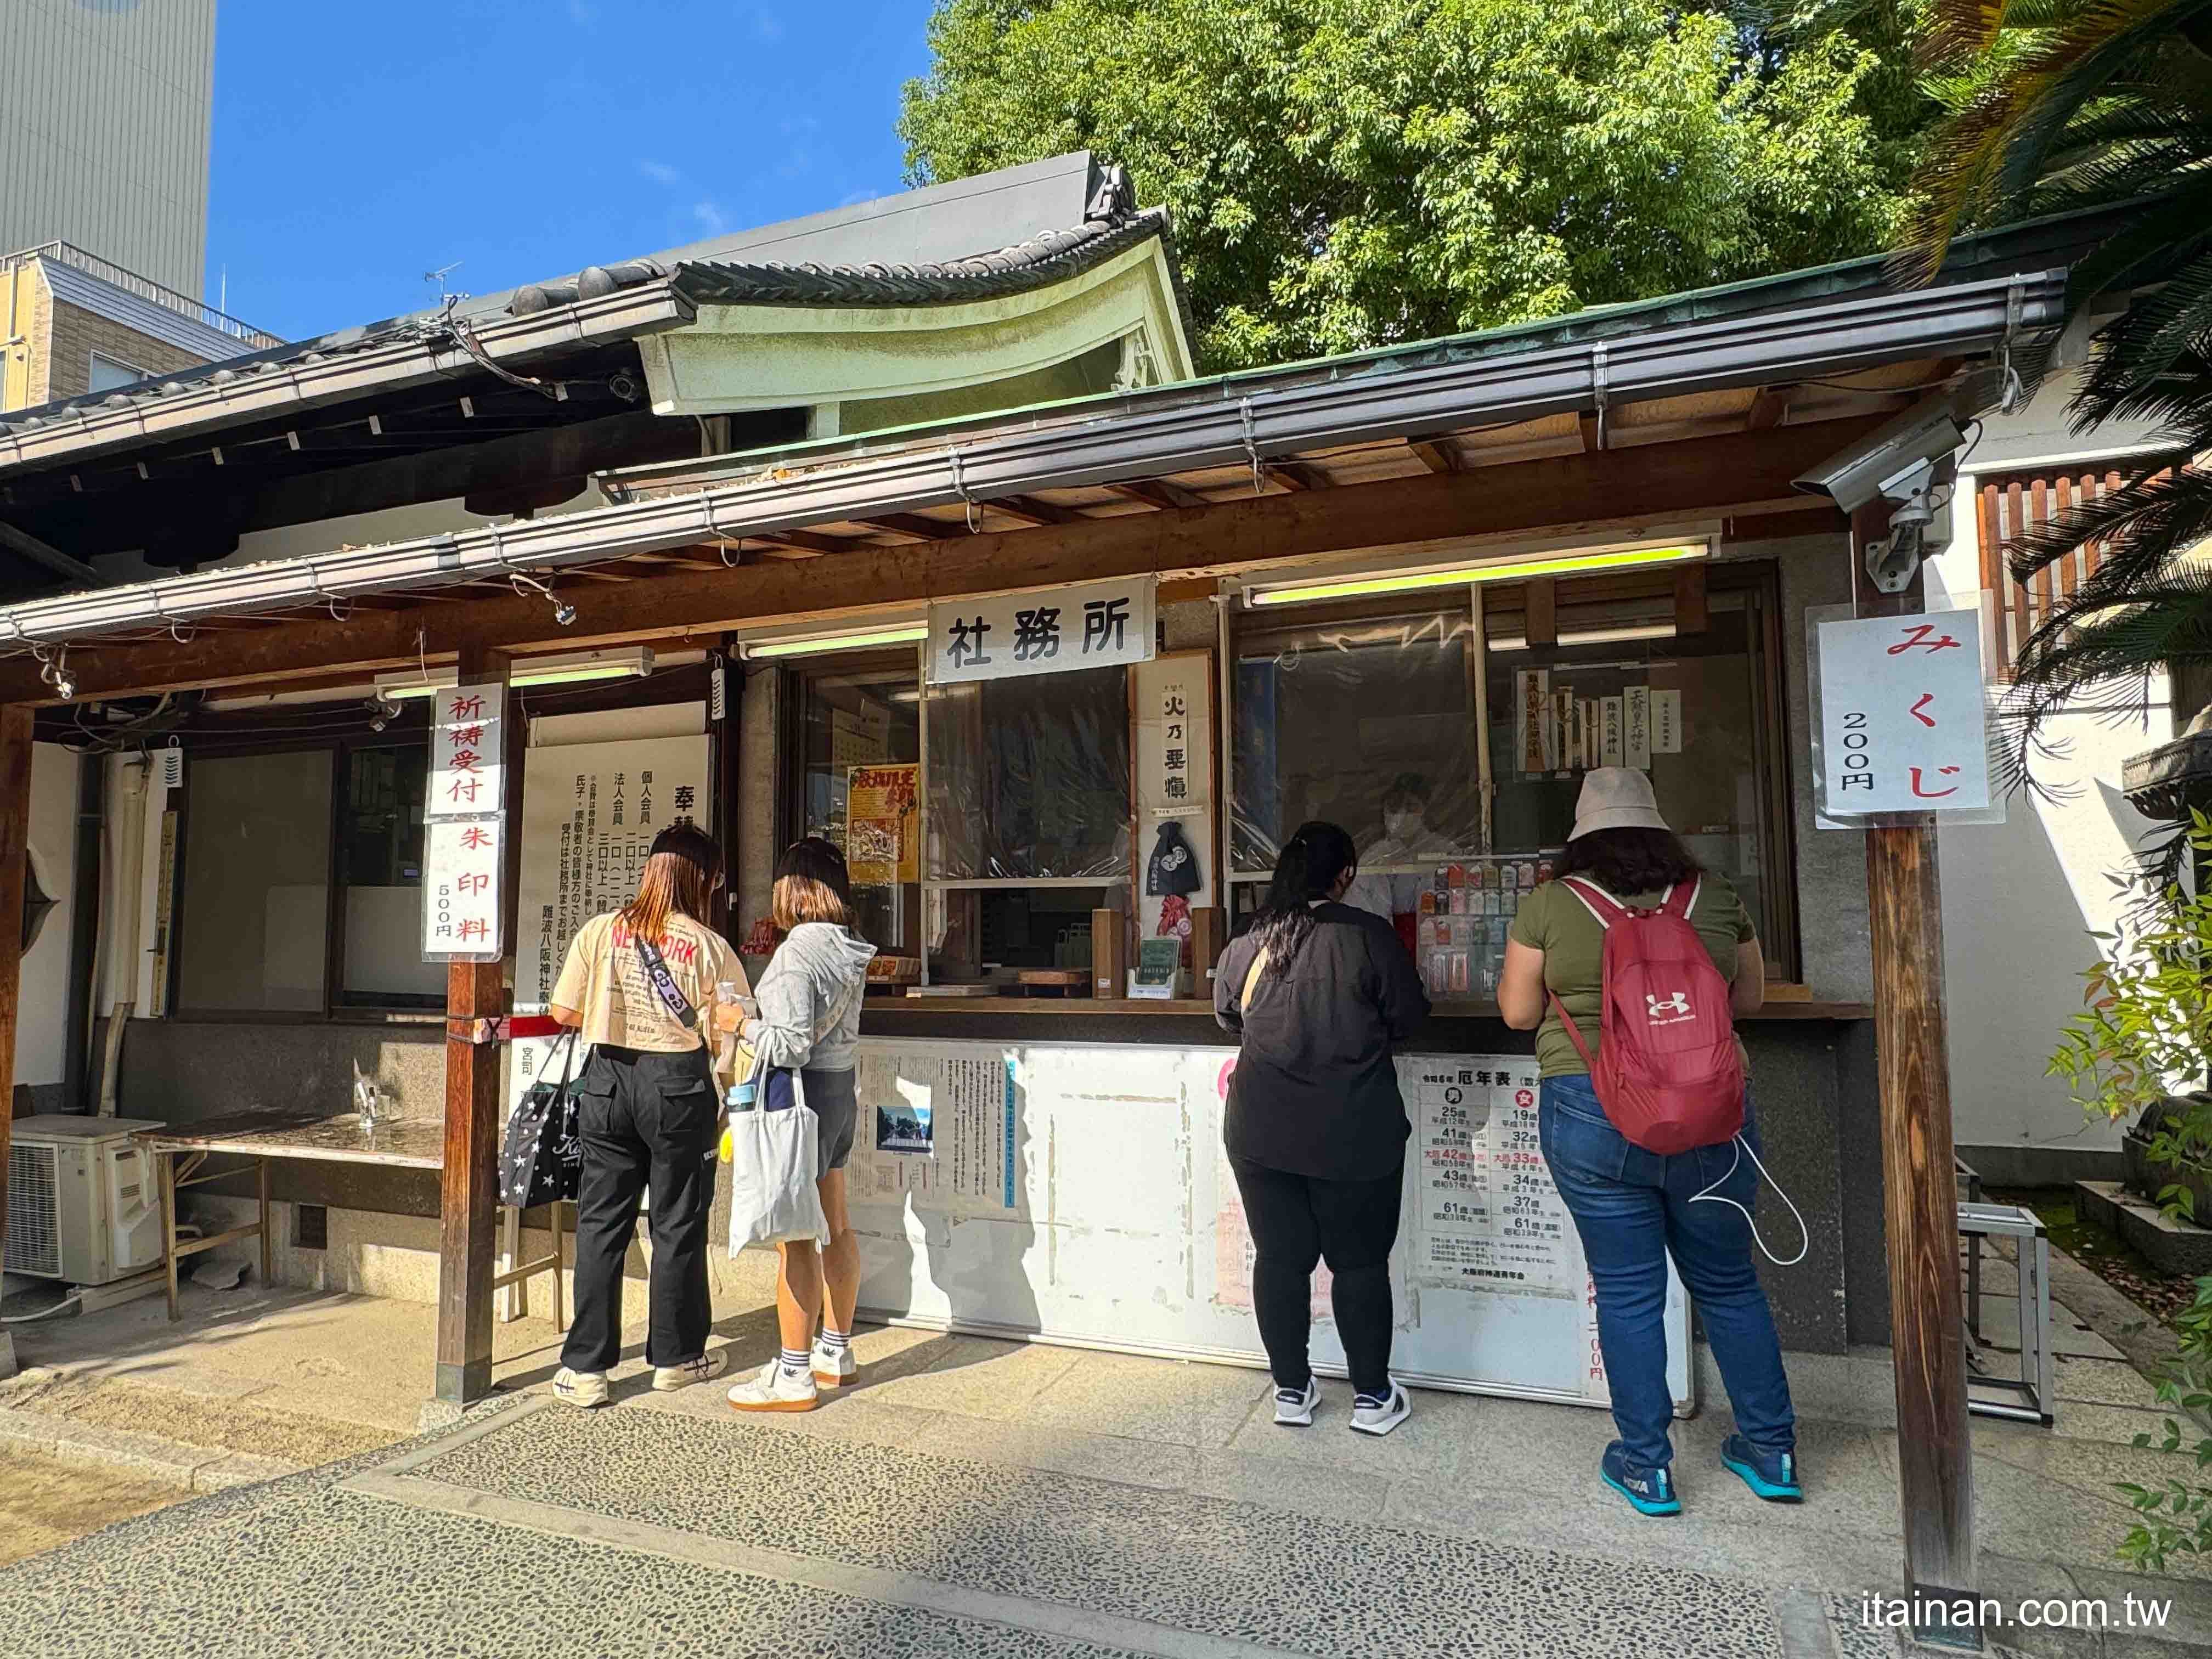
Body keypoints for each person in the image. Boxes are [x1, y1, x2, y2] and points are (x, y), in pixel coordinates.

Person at [1497, 768, 1797, 1514]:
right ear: (1659, 828)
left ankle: (1646, 1466)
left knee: (1630, 1292)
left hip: (1594, 1109)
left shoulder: (1551, 904)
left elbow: (1515, 1011)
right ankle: (1772, 1450)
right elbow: (1749, 999)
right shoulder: (1716, 895)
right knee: (1728, 1283)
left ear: (1580, 837)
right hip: (1711, 1114)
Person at [1214, 820, 1431, 1436]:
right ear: (1345, 878)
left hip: (1260, 1130)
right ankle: (1371, 1399)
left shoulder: (1249, 939)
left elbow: (1227, 1014)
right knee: (1359, 1263)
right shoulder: (1368, 937)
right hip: (1353, 1130)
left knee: (1279, 1259)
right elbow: (1409, 1016)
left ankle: (1291, 1392)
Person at [549, 823, 748, 1408]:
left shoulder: (601, 931)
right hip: (678, 1089)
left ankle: (586, 1369)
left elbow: (564, 1009)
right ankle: (677, 1357)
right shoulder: (711, 947)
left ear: (650, 870)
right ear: (705, 879)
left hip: (607, 1081)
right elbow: (733, 1027)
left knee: (600, 1223)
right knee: (677, 1223)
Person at [726, 837, 878, 1413]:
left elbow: (787, 1046)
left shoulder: (797, 953)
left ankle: (793, 1372)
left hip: (801, 1101)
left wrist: (738, 1023)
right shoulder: (849, 945)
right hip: (841, 1094)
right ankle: (835, 1351)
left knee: (796, 1240)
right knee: (836, 1224)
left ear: (794, 888)